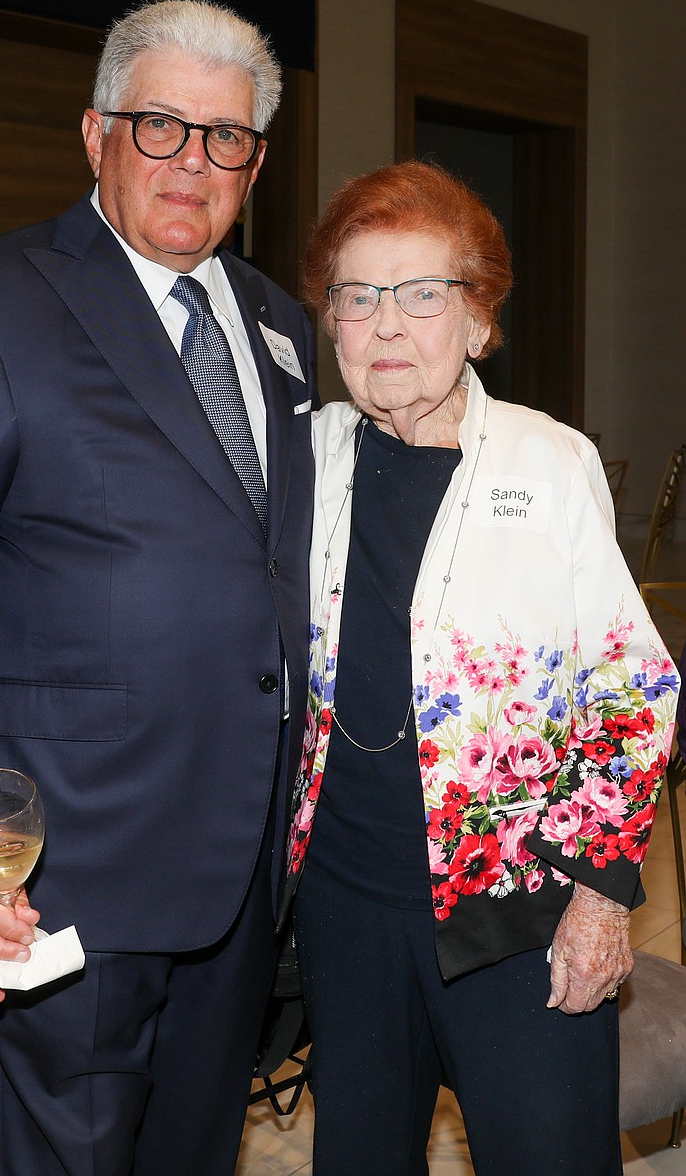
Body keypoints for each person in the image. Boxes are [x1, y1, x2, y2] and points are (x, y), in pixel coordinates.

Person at [0, 0, 316, 1176]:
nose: (191, 162)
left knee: (193, 1155)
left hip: (243, 873)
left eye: (224, 138)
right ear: (96, 133)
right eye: (160, 126)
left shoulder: (281, 325)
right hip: (63, 872)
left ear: (254, 162)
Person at [284, 161, 679, 1175]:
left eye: (422, 294)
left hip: (515, 904)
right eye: (357, 296)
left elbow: (636, 691)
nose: (385, 327)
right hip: (344, 899)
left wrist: (598, 898)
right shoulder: (305, 456)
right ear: (329, 322)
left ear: (479, 321)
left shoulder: (545, 465)